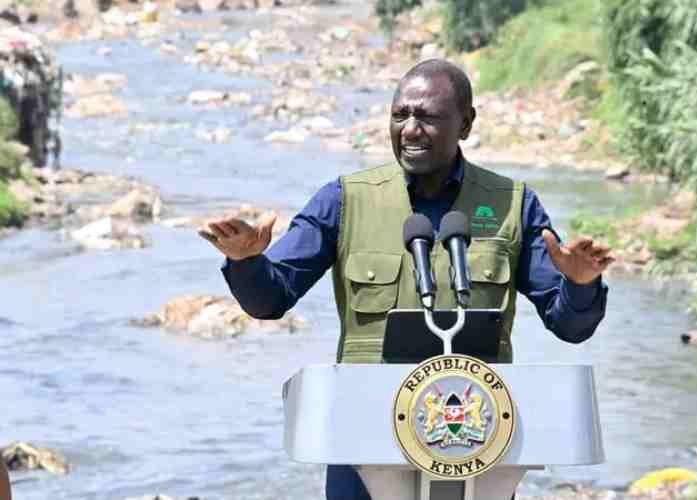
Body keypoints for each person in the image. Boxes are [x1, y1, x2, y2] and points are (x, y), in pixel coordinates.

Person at [199, 58, 613, 500]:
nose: (410, 129)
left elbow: (570, 325)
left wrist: (580, 283)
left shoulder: (513, 205)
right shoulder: (344, 200)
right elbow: (270, 299)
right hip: (363, 437)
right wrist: (246, 263)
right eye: (400, 115)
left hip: (474, 440)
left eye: (428, 117)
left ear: (466, 124)